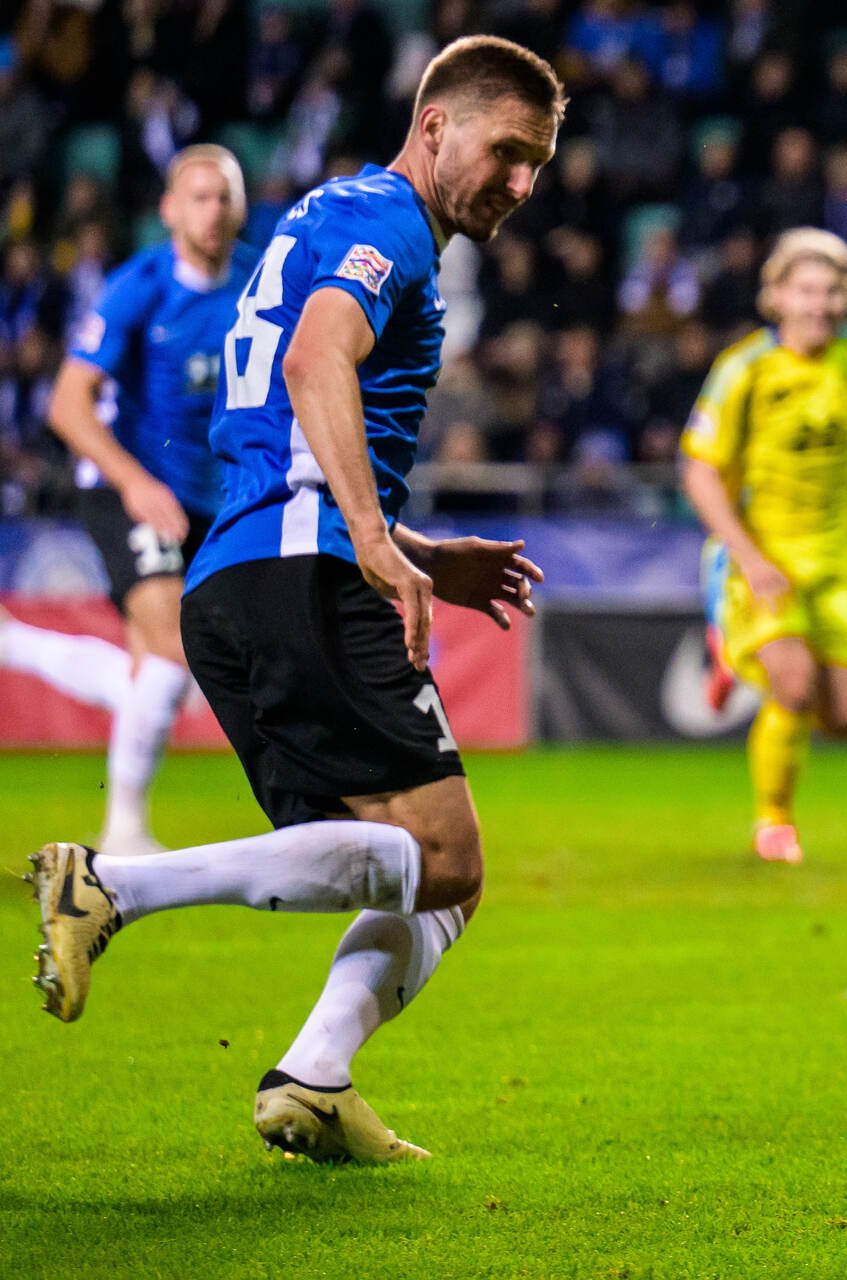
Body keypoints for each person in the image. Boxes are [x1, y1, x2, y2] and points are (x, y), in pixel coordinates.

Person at [26, 36, 564, 1165]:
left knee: (407, 864)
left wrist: (413, 542)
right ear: (434, 126)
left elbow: (288, 428)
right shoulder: (391, 222)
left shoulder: (332, 212)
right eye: (506, 151)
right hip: (304, 570)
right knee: (452, 862)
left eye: (538, 163)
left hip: (240, 573)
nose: (521, 183)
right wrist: (375, 541)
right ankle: (110, 883)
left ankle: (315, 1078)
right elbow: (317, 363)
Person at [0, 145, 257, 854]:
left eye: (224, 197)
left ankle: (15, 642)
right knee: (172, 649)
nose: (213, 211)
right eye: (198, 197)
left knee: (165, 674)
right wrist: (136, 482)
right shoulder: (138, 287)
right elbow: (66, 405)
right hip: (125, 484)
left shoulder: (261, 281)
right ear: (169, 211)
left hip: (212, 498)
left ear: (240, 207)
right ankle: (123, 837)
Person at [681, 228, 847, 865]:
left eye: (832, 291)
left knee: (846, 718)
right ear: (778, 297)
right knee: (793, 686)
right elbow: (699, 471)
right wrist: (750, 557)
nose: (819, 304)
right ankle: (774, 823)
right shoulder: (746, 367)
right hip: (762, 557)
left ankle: (735, 660)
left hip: (834, 561)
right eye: (806, 290)